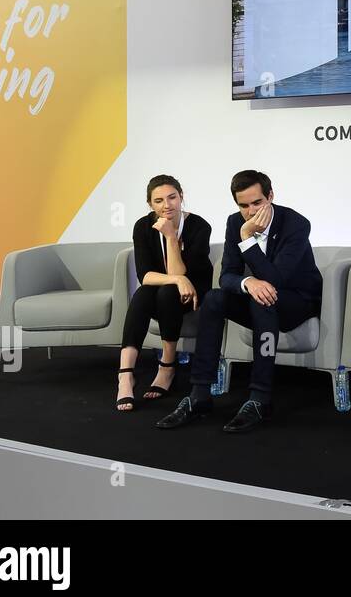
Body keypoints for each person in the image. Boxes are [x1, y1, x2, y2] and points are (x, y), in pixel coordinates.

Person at [155, 170, 322, 433]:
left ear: (271, 196)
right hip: (263, 295)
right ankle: (199, 394)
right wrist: (248, 282)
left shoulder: (296, 223)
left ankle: (260, 398)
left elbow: (275, 279)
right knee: (214, 299)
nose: (250, 211)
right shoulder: (235, 222)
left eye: (257, 202)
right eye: (243, 205)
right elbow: (227, 276)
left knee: (263, 298)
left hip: (297, 300)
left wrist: (247, 239)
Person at [115, 175, 212, 411]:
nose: (166, 205)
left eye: (172, 197)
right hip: (163, 289)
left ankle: (167, 367)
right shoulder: (143, 226)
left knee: (168, 293)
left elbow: (182, 271)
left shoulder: (199, 226)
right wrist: (178, 279)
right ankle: (125, 375)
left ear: (181, 197)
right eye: (158, 201)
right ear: (150, 205)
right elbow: (145, 275)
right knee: (142, 294)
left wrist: (170, 236)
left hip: (193, 294)